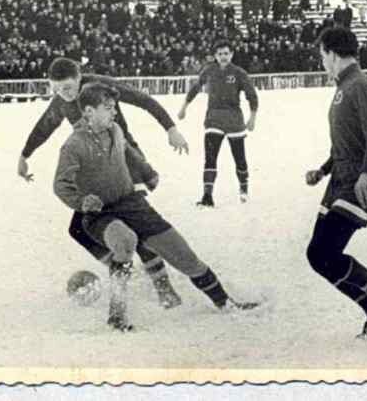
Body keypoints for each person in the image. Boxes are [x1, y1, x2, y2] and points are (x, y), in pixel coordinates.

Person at [54, 83, 258, 331]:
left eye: (114, 108)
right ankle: (117, 316)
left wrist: (148, 173)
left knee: (185, 257)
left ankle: (225, 303)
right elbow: (60, 184)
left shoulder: (115, 130)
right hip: (100, 214)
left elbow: (129, 153)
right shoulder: (74, 145)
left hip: (133, 204)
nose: (114, 112)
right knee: (125, 240)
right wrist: (81, 202)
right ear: (88, 111)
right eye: (107, 108)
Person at [17, 57, 190, 309]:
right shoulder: (61, 102)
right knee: (79, 229)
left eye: (66, 87)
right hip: (96, 169)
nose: (62, 94)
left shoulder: (99, 87)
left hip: (126, 162)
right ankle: (122, 265)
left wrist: (171, 129)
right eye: (56, 89)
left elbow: (144, 100)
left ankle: (164, 289)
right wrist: (24, 155)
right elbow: (44, 127)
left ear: (78, 78)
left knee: (136, 228)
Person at [304, 27, 367, 340]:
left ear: (332, 53)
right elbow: (347, 141)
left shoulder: (359, 85)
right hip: (340, 181)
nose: (322, 63)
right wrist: (323, 168)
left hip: (361, 184)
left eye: (323, 56)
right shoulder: (345, 86)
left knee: (323, 254)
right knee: (317, 257)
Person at [179, 42, 259, 207]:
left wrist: (252, 118)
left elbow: (252, 95)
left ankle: (243, 189)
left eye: (226, 53)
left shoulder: (239, 73)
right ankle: (207, 196)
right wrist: (184, 107)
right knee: (210, 158)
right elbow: (195, 88)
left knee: (240, 158)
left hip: (234, 120)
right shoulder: (209, 70)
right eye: (220, 53)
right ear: (215, 56)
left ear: (232, 55)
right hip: (214, 119)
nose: (223, 56)